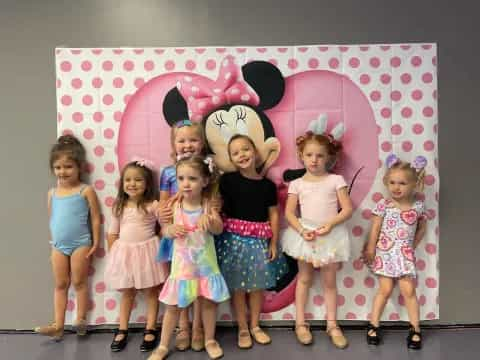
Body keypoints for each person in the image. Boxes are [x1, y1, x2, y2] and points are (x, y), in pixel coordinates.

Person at [149, 156, 229, 360]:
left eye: (192, 178)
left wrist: (211, 221)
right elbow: (165, 231)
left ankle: (210, 339)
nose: (185, 183)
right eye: (181, 178)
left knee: (209, 304)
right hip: (183, 268)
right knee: (173, 307)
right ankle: (163, 345)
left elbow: (219, 229)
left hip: (205, 267)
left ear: (204, 181)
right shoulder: (173, 206)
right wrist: (169, 229)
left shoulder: (208, 205)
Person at [215, 134, 289, 349]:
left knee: (256, 288)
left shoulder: (267, 186)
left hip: (258, 242)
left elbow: (274, 215)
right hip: (233, 242)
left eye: (245, 149)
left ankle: (255, 325)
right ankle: (242, 328)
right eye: (235, 153)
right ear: (230, 159)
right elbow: (216, 204)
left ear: (255, 152)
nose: (242, 155)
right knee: (238, 288)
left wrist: (274, 243)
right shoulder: (227, 181)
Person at [281, 131, 352, 348]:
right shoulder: (297, 184)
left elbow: (347, 209)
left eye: (320, 155)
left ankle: (332, 324)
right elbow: (289, 213)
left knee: (329, 282)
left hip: (329, 235)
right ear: (301, 156)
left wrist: (331, 224)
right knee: (304, 279)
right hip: (306, 236)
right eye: (309, 154)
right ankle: (300, 323)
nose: (314, 160)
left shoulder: (336, 180)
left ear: (329, 157)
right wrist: (302, 230)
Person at [35, 134, 101, 340]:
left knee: (79, 282)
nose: (62, 171)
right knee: (60, 284)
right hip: (58, 245)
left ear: (79, 167)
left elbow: (96, 219)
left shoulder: (85, 190)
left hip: (81, 243)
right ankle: (58, 324)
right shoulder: (51, 193)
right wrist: (54, 244)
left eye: (68, 167)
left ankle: (81, 319)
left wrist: (95, 241)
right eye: (58, 167)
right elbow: (52, 219)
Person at [362, 154, 427, 350]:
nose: (396, 187)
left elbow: (422, 227)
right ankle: (373, 324)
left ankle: (415, 328)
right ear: (386, 182)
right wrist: (371, 248)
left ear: (414, 184)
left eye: (402, 183)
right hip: (385, 253)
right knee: (386, 289)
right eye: (392, 182)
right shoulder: (384, 204)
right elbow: (374, 228)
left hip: (404, 255)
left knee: (409, 290)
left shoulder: (417, 206)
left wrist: (412, 245)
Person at [105, 159, 168, 352]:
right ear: (122, 184)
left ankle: (151, 327)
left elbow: (165, 227)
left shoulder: (152, 205)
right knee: (127, 292)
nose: (132, 184)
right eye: (128, 180)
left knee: (151, 291)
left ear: (147, 184)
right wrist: (114, 253)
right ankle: (122, 327)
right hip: (125, 253)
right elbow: (112, 232)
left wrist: (156, 242)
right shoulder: (119, 206)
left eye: (138, 180)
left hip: (147, 253)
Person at [157, 119, 208, 351]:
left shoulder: (208, 167)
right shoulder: (168, 172)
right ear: (173, 144)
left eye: (193, 140)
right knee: (180, 283)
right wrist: (166, 224)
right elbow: (163, 206)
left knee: (199, 284)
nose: (187, 145)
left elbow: (213, 198)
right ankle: (183, 327)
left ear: (202, 142)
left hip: (199, 233)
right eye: (181, 140)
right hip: (177, 236)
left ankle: (198, 328)